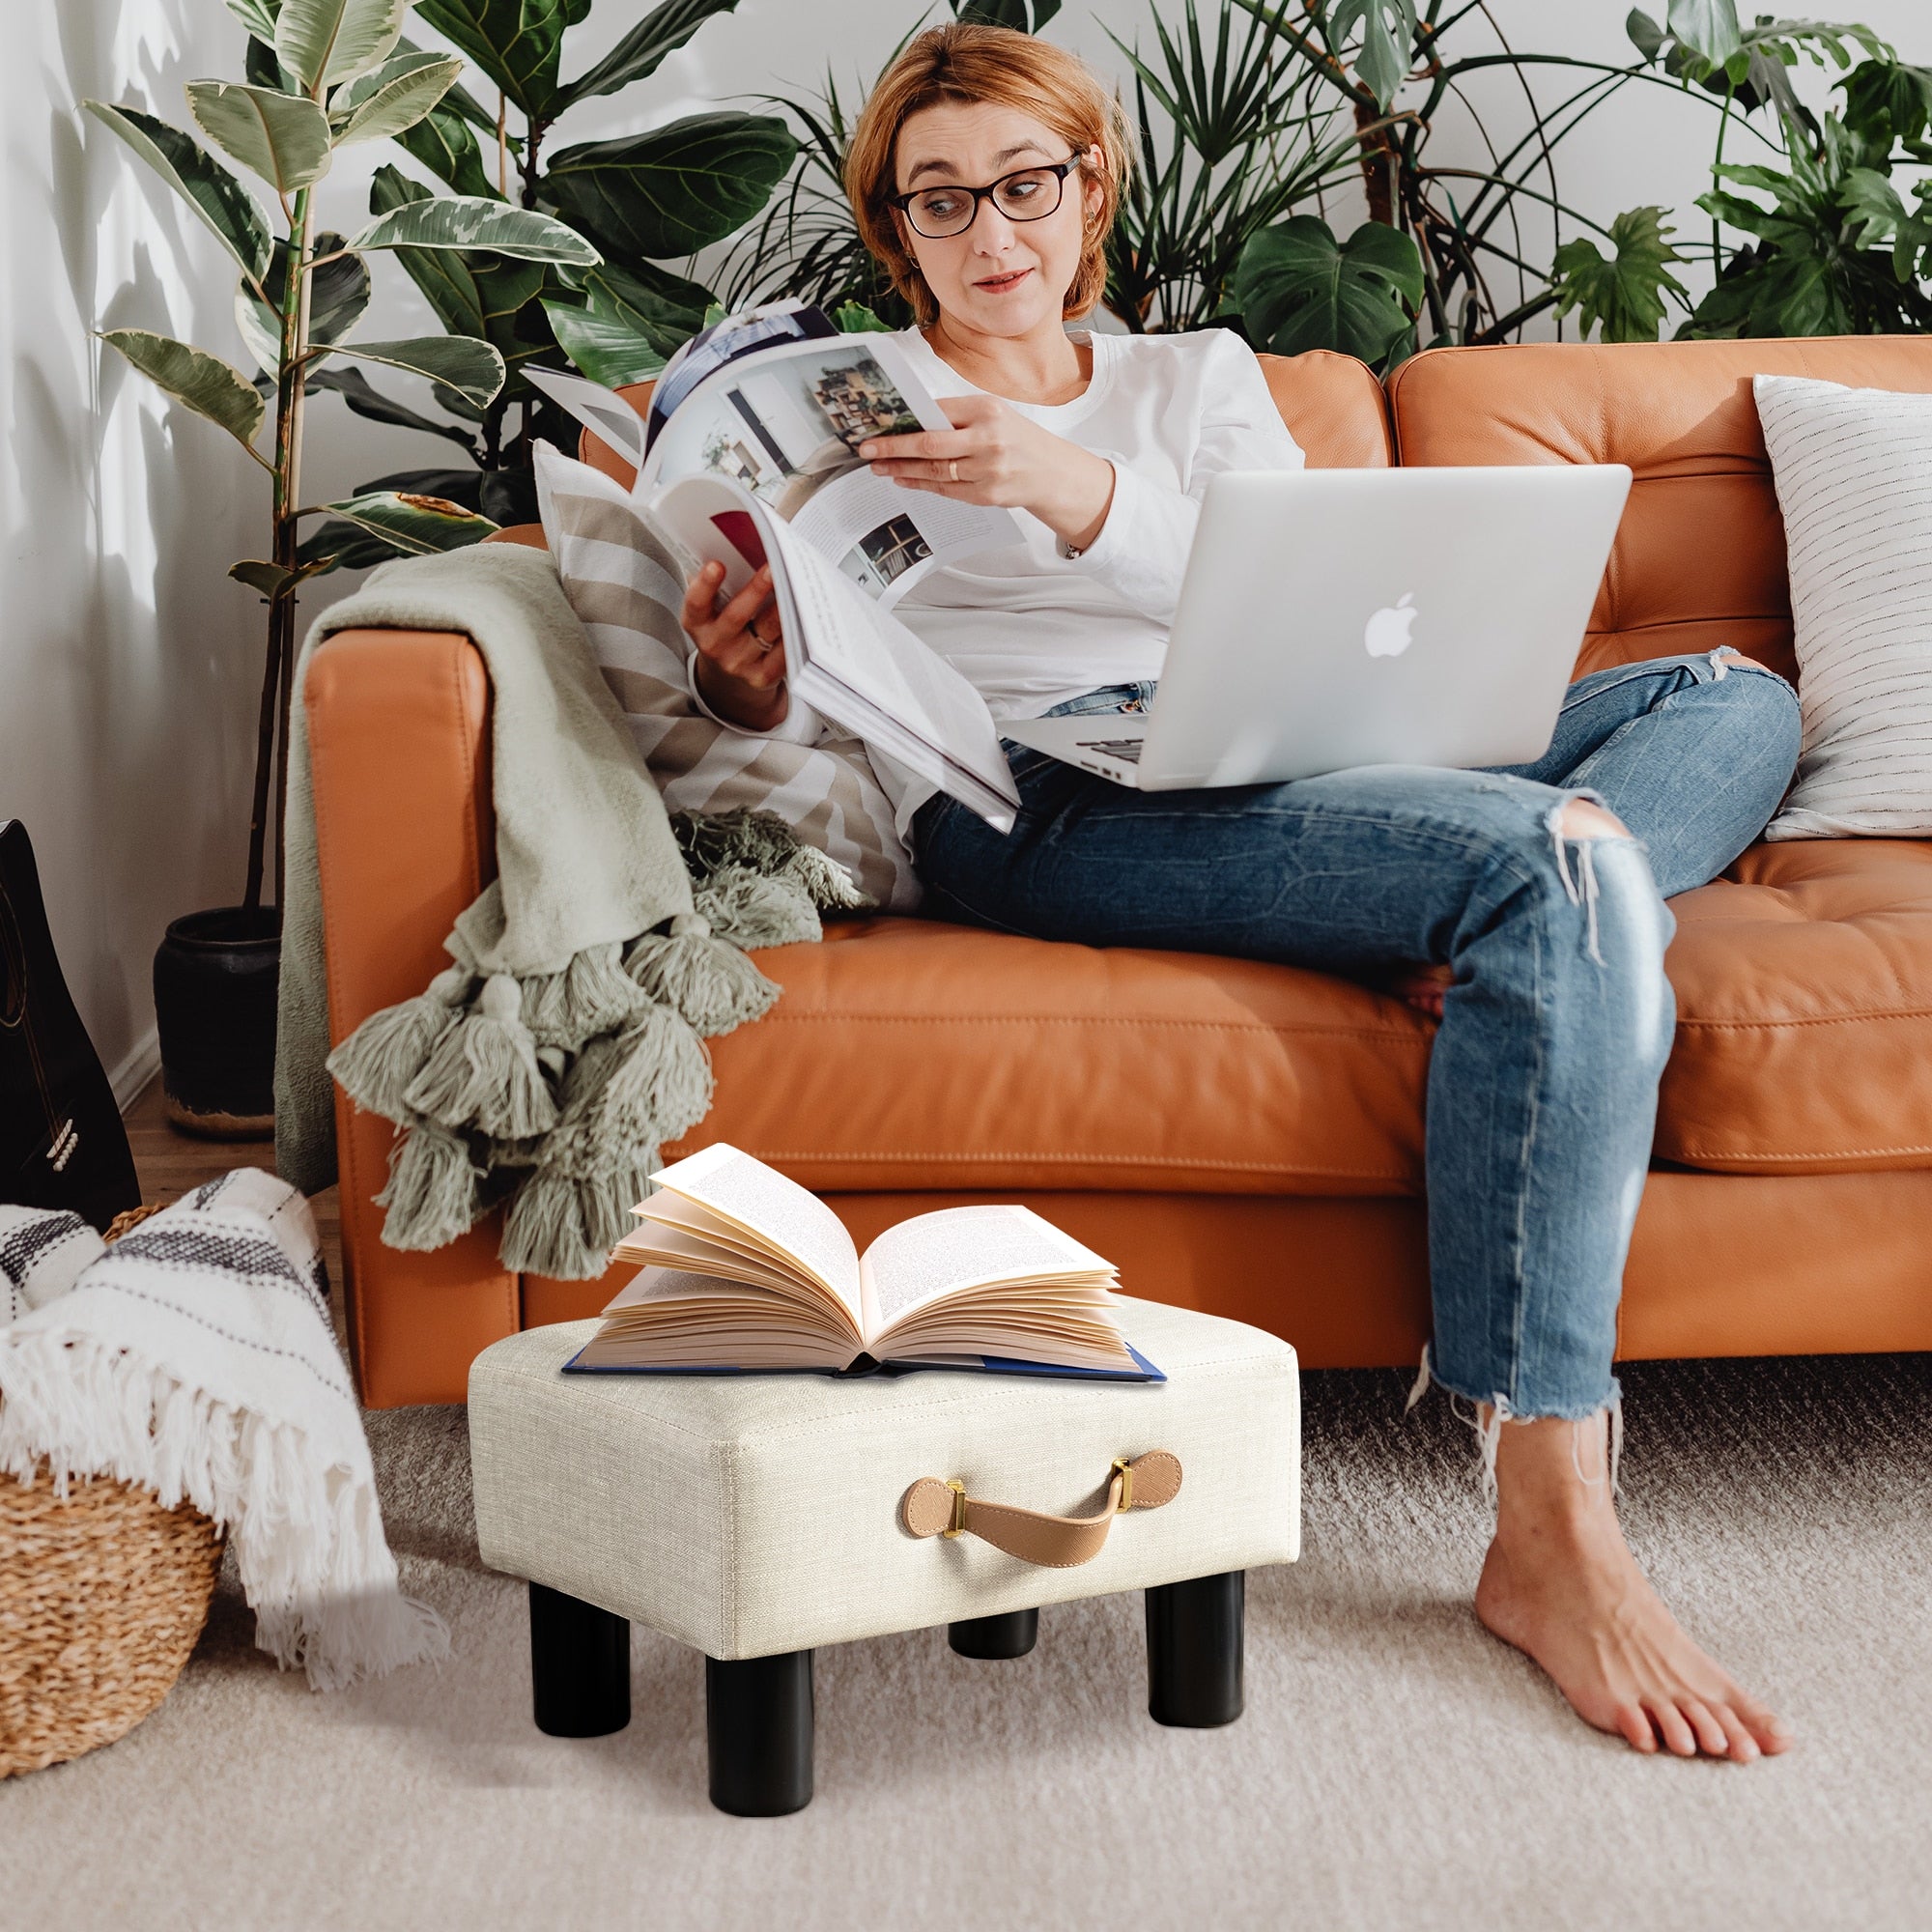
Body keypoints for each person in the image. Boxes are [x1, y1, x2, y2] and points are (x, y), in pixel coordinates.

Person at [678, 22, 1803, 1761]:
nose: (994, 235)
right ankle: (1554, 1526)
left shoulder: (1191, 379)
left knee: (1722, 694)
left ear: (1089, 189)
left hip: (1291, 742)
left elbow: (1299, 598)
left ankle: (1535, 933)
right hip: (1045, 797)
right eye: (944, 201)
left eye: (1026, 187)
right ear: (898, 229)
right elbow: (822, 706)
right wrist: (740, 680)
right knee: (1556, 862)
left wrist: (1083, 494)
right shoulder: (842, 411)